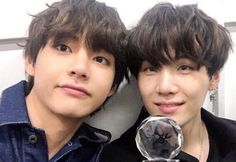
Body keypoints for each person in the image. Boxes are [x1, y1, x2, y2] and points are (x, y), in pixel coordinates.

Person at [100, 2, 236, 162]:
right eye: (151, 69)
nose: (165, 87)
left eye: (184, 67)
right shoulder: (116, 157)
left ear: (214, 78)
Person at [0, 0, 127, 161]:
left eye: (100, 59)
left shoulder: (103, 156)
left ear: (113, 86)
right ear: (31, 60)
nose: (80, 69)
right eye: (63, 48)